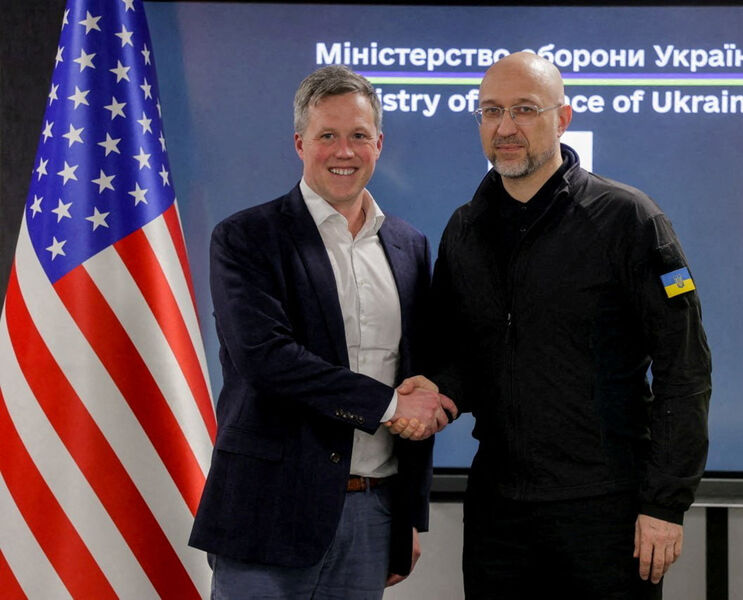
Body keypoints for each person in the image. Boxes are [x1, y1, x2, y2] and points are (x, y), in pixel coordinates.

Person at [418, 51, 712, 598]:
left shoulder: (629, 219)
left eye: (524, 109)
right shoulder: (465, 229)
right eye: (491, 111)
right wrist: (440, 394)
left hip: (606, 512)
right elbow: (458, 354)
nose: (505, 127)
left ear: (563, 119)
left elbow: (685, 367)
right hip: (498, 514)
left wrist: (664, 504)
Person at [189, 65, 456, 599]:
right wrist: (389, 407)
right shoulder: (246, 237)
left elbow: (416, 365)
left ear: (379, 144)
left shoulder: (409, 244)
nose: (344, 151)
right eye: (327, 135)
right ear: (299, 144)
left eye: (358, 135)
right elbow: (267, 359)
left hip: (373, 514)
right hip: (268, 512)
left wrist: (407, 511)